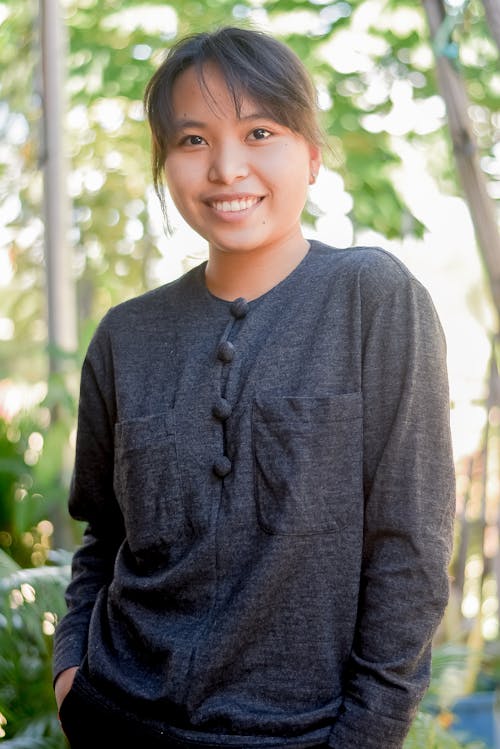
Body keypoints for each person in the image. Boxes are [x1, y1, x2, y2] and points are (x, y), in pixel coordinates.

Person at [53, 25, 456, 749]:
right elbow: (102, 533)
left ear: (310, 154)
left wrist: (366, 736)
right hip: (115, 716)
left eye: (260, 131)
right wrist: (71, 675)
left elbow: (412, 546)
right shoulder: (125, 334)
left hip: (304, 738)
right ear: (165, 162)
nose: (227, 168)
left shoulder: (373, 297)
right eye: (193, 140)